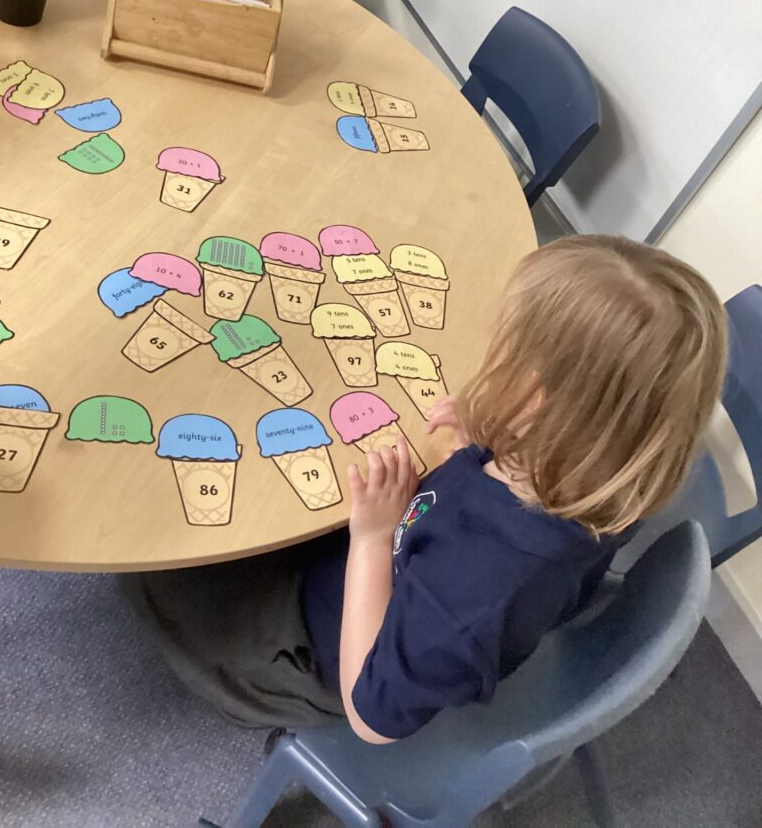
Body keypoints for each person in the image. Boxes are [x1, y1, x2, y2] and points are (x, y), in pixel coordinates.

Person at [122, 235, 727, 743]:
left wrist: (372, 538)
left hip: (322, 654)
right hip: (408, 574)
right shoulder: (613, 479)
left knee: (157, 567)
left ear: (537, 401)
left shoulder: (478, 586)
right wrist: (489, 443)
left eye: (508, 351)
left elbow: (372, 716)